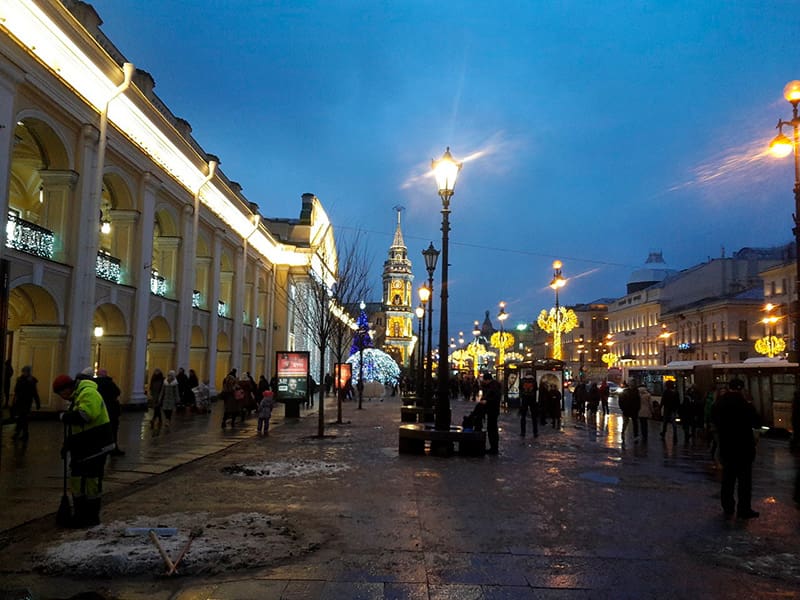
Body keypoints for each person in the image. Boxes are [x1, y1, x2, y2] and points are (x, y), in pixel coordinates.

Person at [53, 372, 114, 527]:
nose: (63, 398)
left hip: (96, 446)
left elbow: (86, 416)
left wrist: (64, 417)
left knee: (91, 482)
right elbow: (77, 428)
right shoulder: (78, 396)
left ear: (66, 389)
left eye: (61, 394)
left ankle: (91, 517)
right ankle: (80, 514)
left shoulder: (88, 393)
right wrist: (67, 445)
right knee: (78, 480)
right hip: (84, 448)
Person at [712, 378, 760, 519]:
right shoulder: (745, 404)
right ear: (741, 389)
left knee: (728, 479)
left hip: (727, 447)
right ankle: (744, 509)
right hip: (744, 447)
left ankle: (728, 507)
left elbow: (714, 419)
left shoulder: (719, 403)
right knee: (744, 482)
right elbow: (757, 422)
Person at [95, 369, 124, 455]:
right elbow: (118, 392)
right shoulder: (109, 382)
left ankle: (99, 449)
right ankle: (113, 449)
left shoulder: (94, 384)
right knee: (113, 431)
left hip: (99, 411)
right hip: (111, 411)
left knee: (99, 431)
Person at [11, 365, 40, 442]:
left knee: (22, 418)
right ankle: (24, 434)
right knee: (22, 418)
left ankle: (20, 433)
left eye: (26, 371)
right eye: (24, 371)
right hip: (20, 402)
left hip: (26, 402)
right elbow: (16, 391)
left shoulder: (31, 380)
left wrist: (38, 402)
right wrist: (14, 400)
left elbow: (34, 392)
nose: (25, 373)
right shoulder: (21, 380)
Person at [481, 372, 502, 454]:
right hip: (492, 410)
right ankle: (493, 447)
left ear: (487, 380)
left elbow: (494, 398)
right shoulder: (493, 385)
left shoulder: (493, 386)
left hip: (492, 409)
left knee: (492, 428)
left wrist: (486, 401)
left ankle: (494, 448)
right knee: (492, 428)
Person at [619, 380, 640, 445]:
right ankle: (635, 435)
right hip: (633, 410)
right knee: (634, 423)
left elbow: (620, 401)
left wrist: (623, 408)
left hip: (627, 410)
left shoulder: (625, 391)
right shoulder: (636, 392)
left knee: (626, 423)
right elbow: (638, 402)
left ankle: (623, 433)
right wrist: (637, 409)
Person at [518, 374, 538, 438]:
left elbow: (520, 388)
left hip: (524, 399)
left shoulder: (522, 380)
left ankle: (523, 432)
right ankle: (535, 432)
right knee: (534, 416)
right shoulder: (534, 380)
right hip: (532, 399)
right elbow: (536, 388)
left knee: (523, 416)